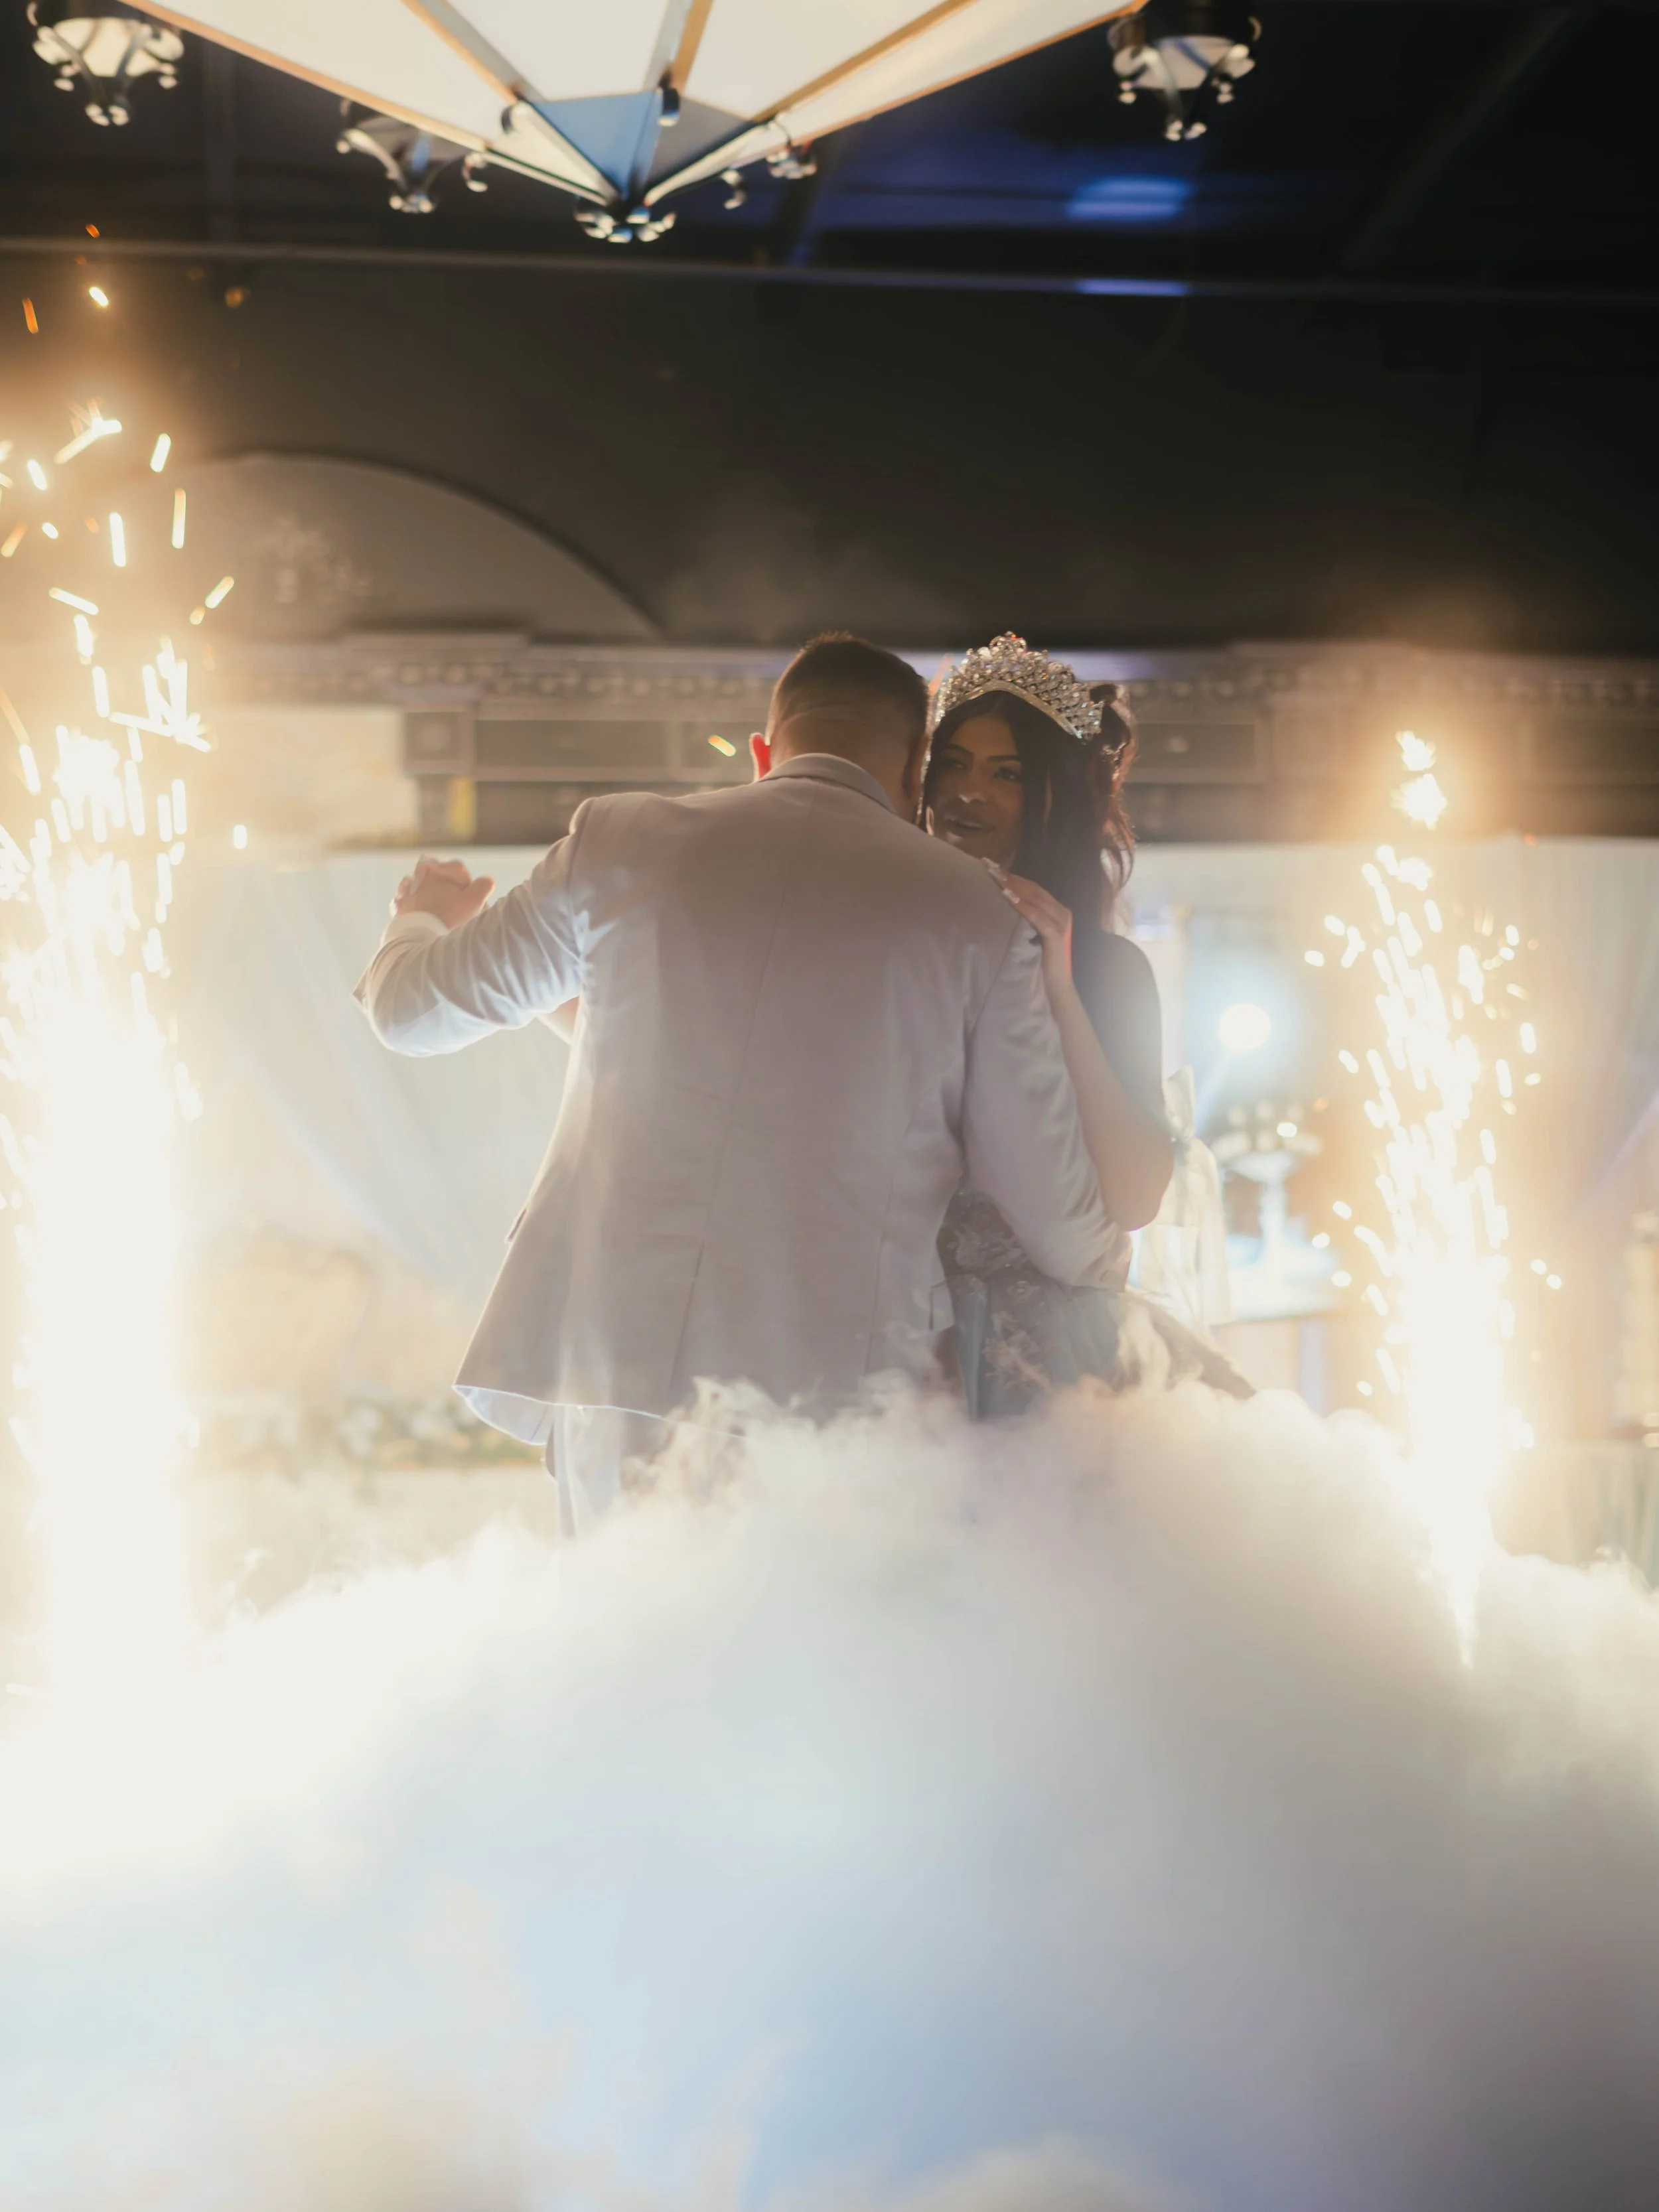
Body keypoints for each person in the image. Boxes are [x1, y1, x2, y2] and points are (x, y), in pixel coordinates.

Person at [354, 634, 1124, 1531]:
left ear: (764, 749)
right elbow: (1047, 1205)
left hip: (612, 1364)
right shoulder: (979, 915)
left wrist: (419, 921)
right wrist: (1112, 1257)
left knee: (619, 1618)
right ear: (917, 763)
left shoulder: (620, 840)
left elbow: (407, 1012)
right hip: (835, 1401)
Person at [922, 634, 1250, 1413]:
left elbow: (1134, 1196)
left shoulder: (1107, 970)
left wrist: (1062, 993)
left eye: (1005, 773)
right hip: (901, 1334)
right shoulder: (892, 946)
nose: (968, 792)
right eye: (953, 764)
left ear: (1052, 800)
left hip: (1056, 1359)